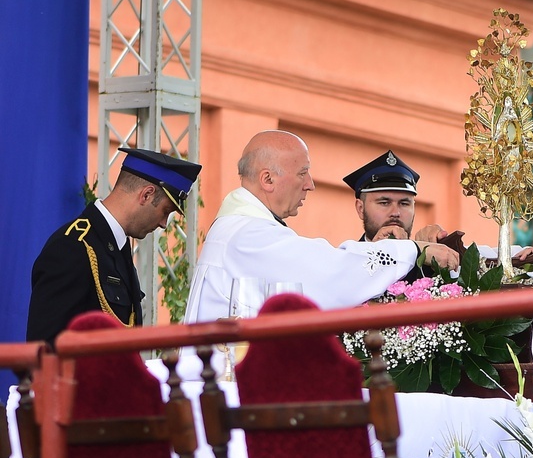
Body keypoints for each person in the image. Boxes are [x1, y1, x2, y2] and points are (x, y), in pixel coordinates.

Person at [183, 130, 459, 323]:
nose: (310, 184)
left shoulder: (244, 228)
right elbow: (329, 273)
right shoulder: (246, 234)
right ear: (267, 179)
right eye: (302, 173)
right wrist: (413, 249)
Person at [27, 148, 203, 344]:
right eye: (165, 211)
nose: (163, 223)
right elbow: (43, 348)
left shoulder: (117, 246)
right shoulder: (72, 247)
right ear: (146, 195)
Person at [343, 150, 448, 282]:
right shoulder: (347, 264)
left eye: (404, 203)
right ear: (360, 208)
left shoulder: (429, 266)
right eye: (384, 203)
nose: (395, 212)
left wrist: (444, 243)